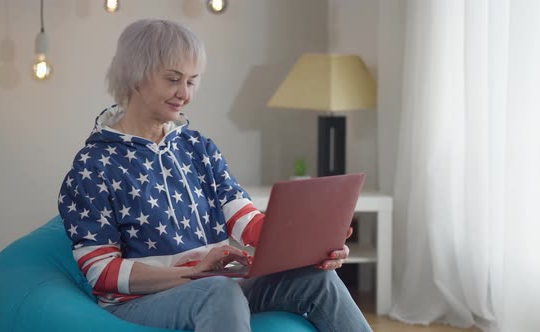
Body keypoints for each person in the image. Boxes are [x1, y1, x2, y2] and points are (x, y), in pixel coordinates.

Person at [57, 18, 372, 332]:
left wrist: (312, 244)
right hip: (139, 301)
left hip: (218, 284)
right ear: (136, 77)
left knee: (317, 279)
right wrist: (193, 273)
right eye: (173, 79)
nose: (184, 93)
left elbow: (244, 220)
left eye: (192, 81)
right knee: (218, 290)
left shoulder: (198, 148)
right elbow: (101, 271)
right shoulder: (93, 165)